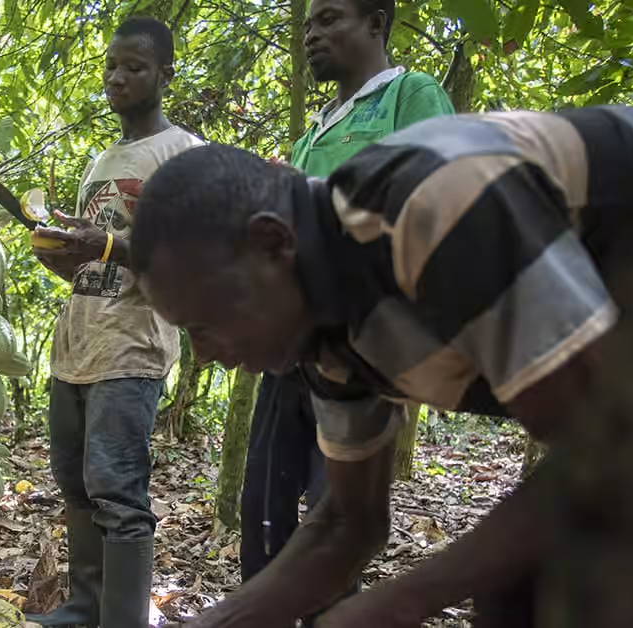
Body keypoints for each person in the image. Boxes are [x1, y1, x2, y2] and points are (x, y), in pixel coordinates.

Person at [130, 104, 633, 626]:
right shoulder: (326, 335)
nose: (203, 353)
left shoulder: (436, 204)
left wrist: (398, 603)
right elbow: (348, 522)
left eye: (208, 320)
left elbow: (620, 447)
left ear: (273, 242)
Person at [242, 0, 454, 596]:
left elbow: (431, 203)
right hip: (292, 351)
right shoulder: (317, 128)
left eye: (330, 19)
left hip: (361, 353)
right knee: (264, 512)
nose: (312, 33)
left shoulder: (408, 94)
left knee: (329, 520)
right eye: (308, 23)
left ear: (377, 23)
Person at [24, 16, 204, 628]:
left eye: (135, 66)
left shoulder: (183, 154)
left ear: (164, 75)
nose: (118, 77)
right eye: (112, 66)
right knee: (74, 480)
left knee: (116, 488)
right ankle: (86, 607)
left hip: (134, 343)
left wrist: (108, 245)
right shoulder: (102, 160)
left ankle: (124, 617)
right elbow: (92, 265)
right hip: (80, 339)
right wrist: (61, 253)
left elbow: (189, 256)